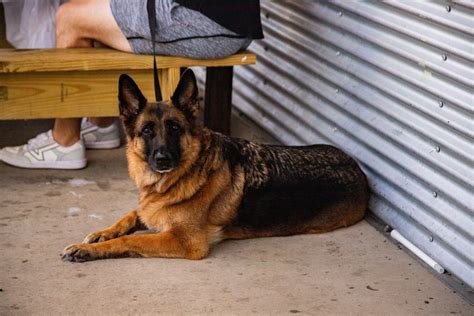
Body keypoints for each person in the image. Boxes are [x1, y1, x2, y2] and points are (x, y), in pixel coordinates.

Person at [0, 0, 263, 169]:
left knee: (70, 17)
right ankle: (101, 125)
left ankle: (64, 141)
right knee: (95, 10)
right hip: (219, 17)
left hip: (208, 23)